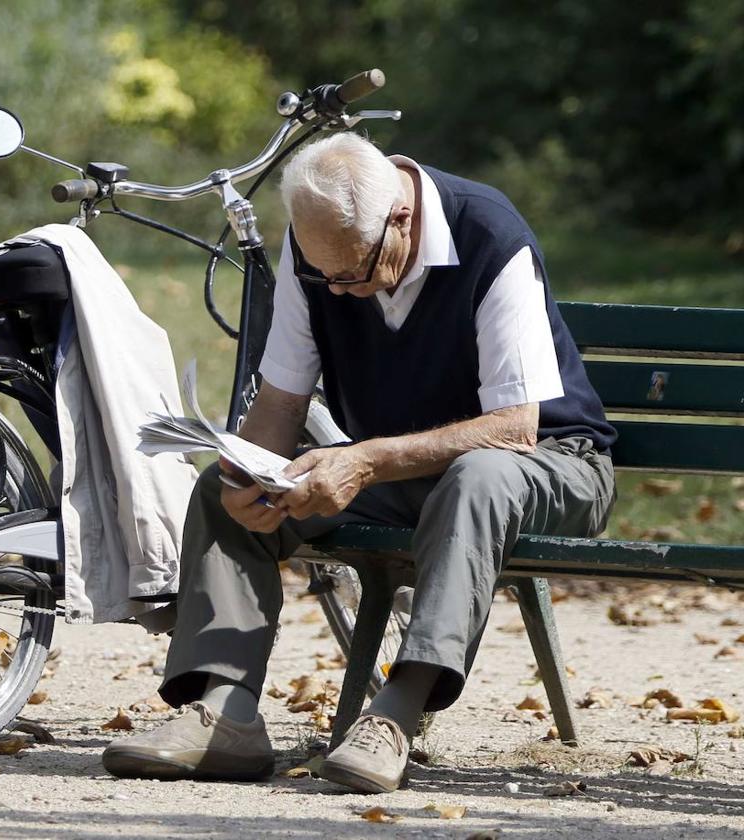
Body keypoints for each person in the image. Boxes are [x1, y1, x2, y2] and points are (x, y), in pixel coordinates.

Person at [100, 132, 618, 793]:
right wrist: (245, 475)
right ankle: (224, 712)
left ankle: (397, 717)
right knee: (218, 494)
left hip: (553, 464)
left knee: (477, 476)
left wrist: (365, 460)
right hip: (412, 474)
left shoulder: (489, 233)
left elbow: (515, 430)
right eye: (327, 277)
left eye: (354, 273)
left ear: (400, 218)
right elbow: (283, 401)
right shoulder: (317, 249)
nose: (340, 293)